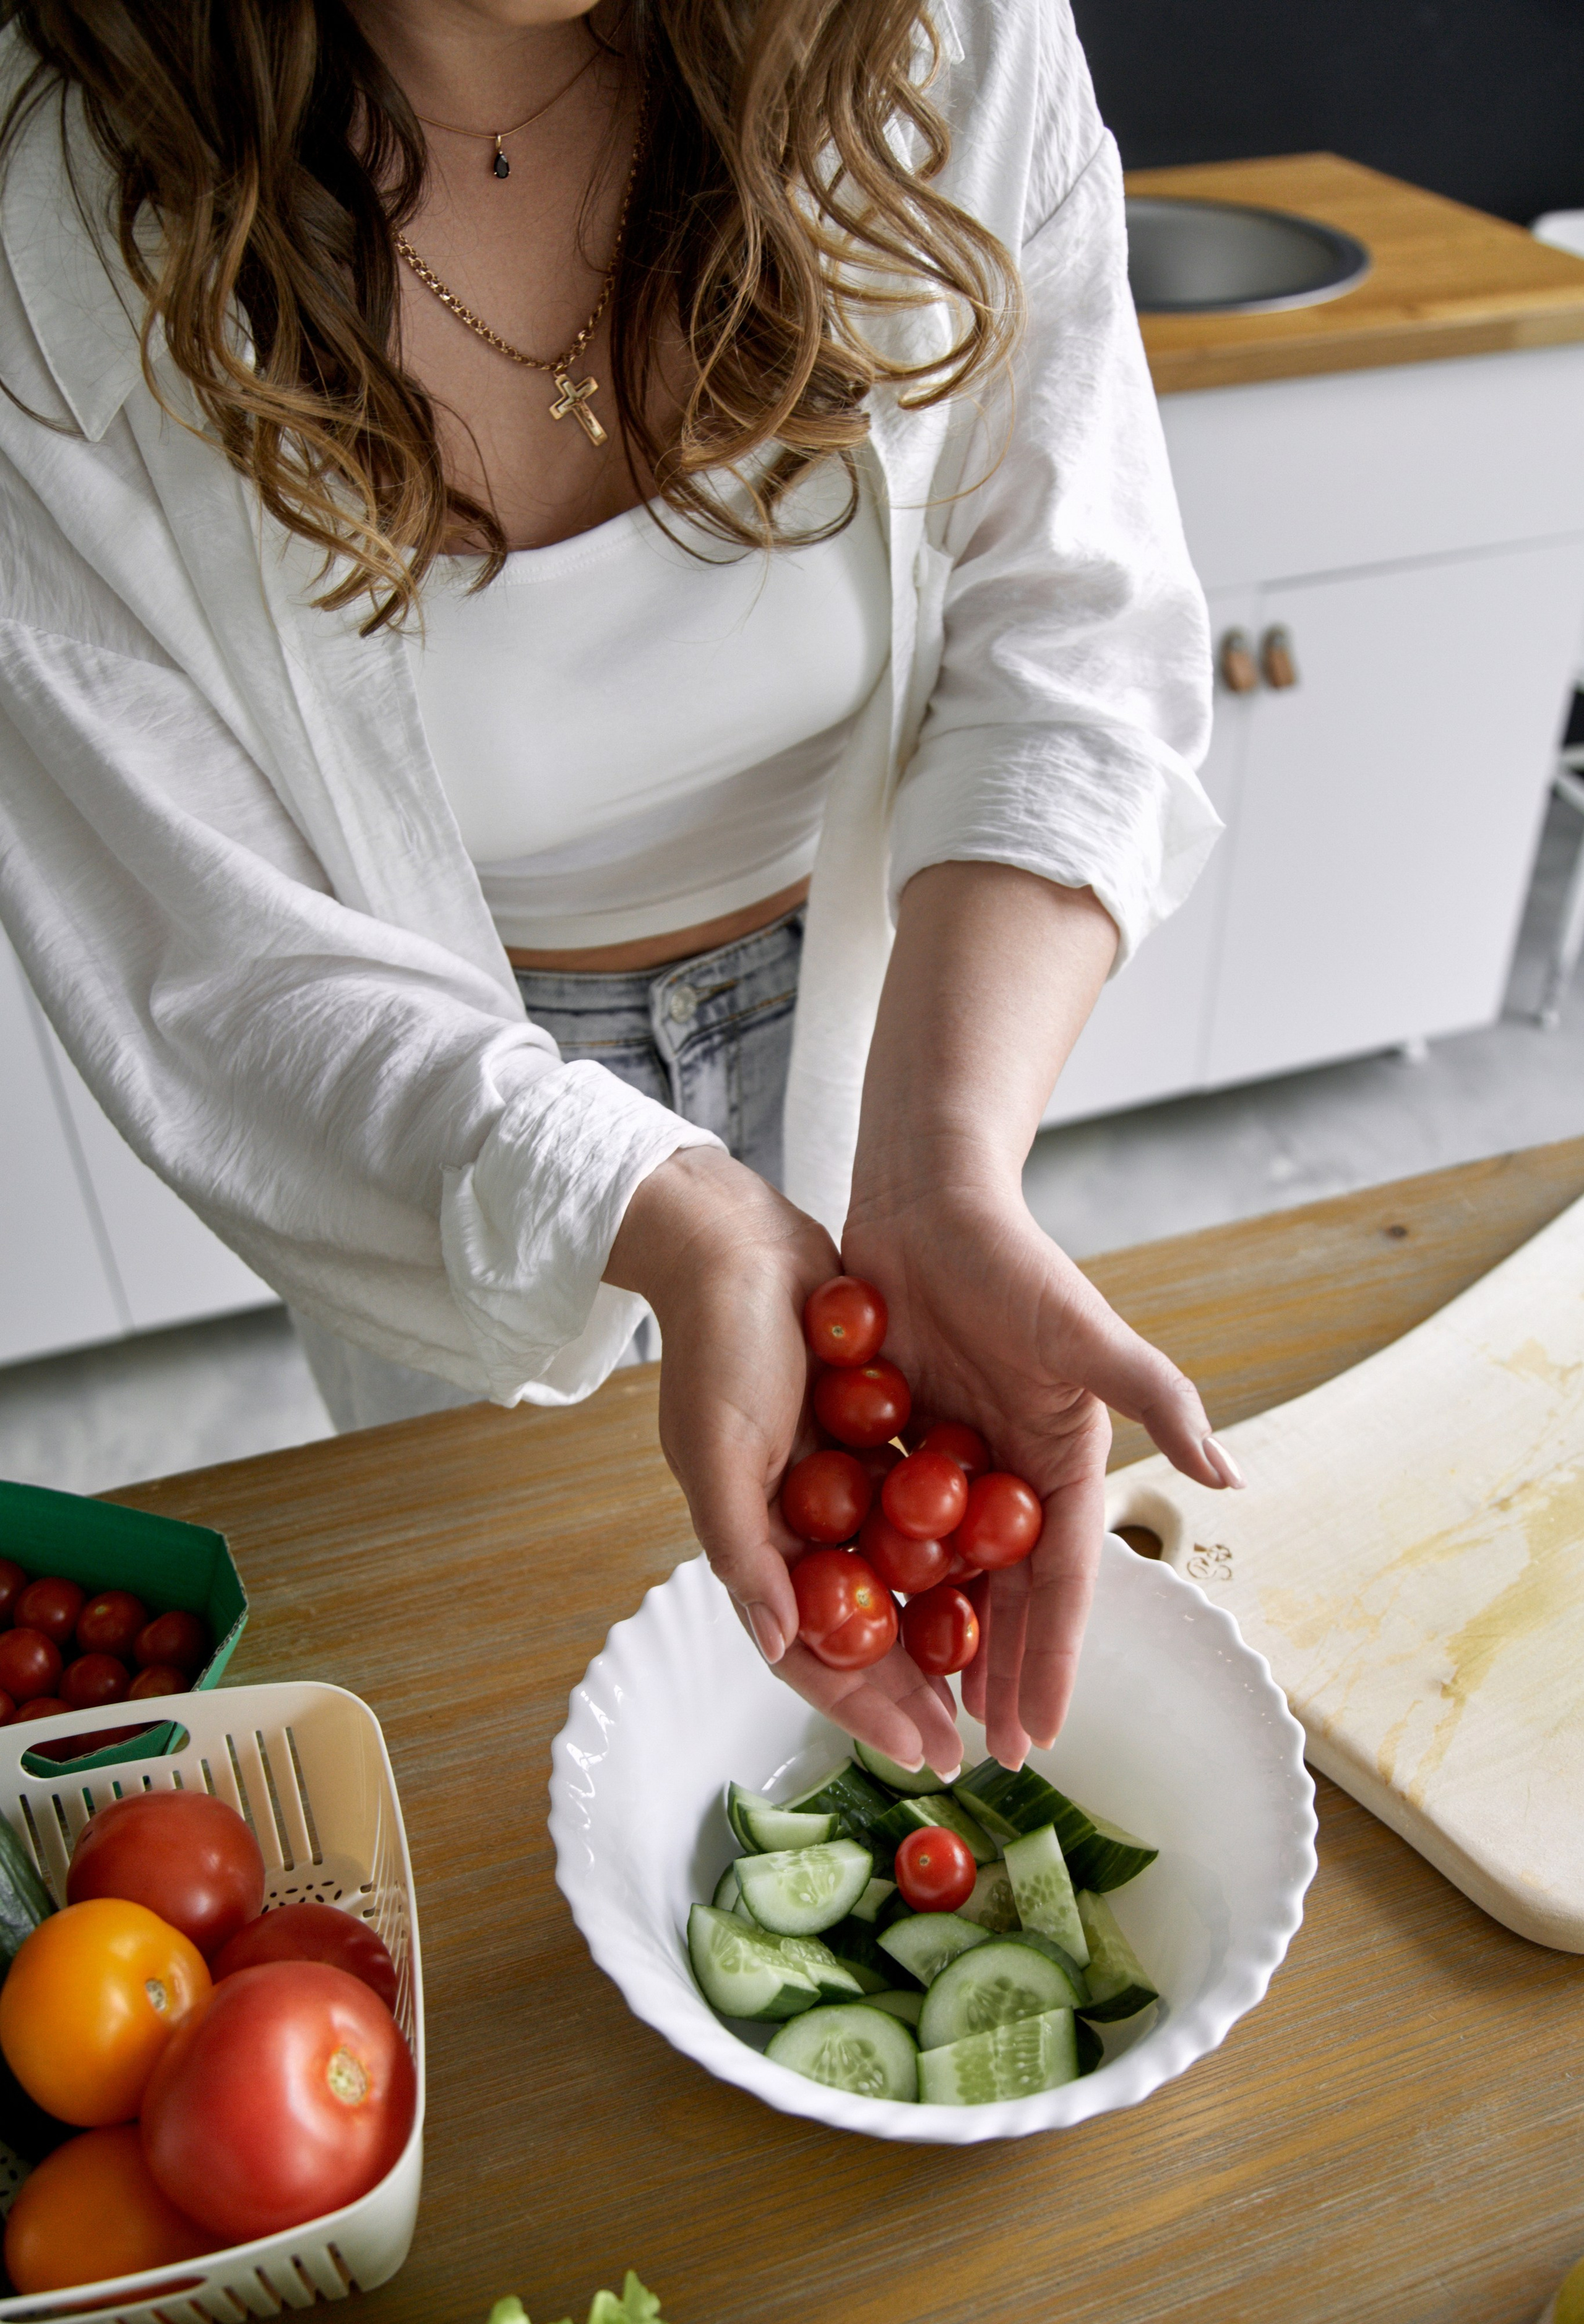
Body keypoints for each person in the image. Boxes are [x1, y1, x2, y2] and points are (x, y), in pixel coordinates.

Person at [0, 0, 1239, 1782]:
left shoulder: (940, 36)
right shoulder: (48, 208)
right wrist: (654, 1204)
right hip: (428, 1116)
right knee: (496, 1698)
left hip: (887, 1003)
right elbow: (217, 957)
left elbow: (1070, 630)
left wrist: (939, 1159)